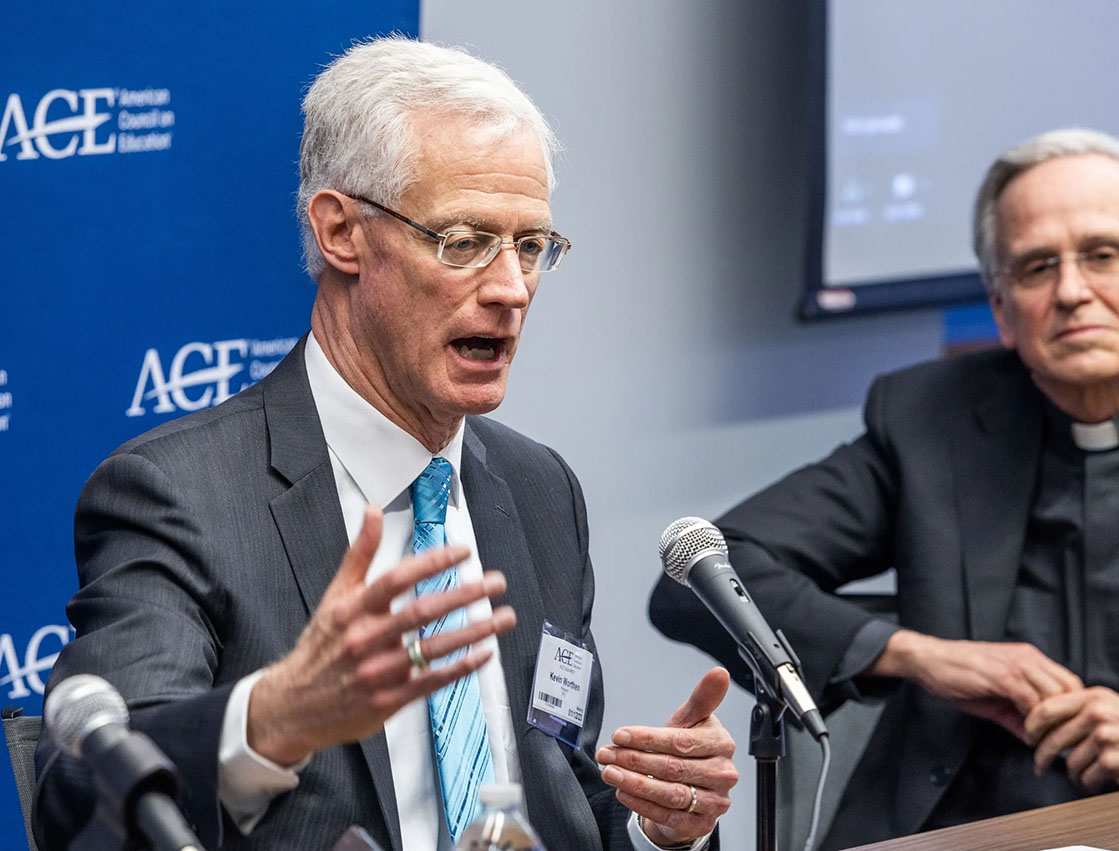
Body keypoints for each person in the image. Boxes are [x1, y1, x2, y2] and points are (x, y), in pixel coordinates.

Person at [34, 36, 737, 851]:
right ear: (341, 232)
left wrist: (656, 825)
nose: (511, 289)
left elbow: (562, 789)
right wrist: (276, 716)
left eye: (530, 246)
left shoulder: (540, 486)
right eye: (464, 241)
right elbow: (78, 797)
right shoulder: (180, 494)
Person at [650, 127, 1119, 849]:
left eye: (1103, 255)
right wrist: (921, 655)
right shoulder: (934, 423)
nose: (1073, 292)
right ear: (1001, 307)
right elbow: (698, 579)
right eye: (1037, 267)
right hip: (969, 825)